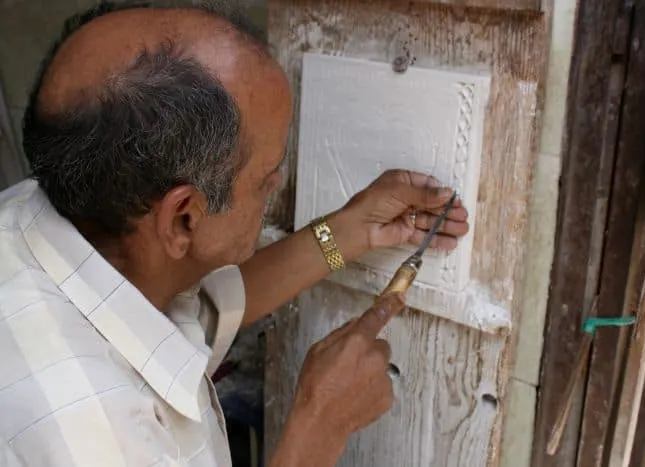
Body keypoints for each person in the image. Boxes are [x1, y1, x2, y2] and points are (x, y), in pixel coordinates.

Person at [0, 3, 469, 467]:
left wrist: (349, 232)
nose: (279, 183)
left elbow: (205, 308)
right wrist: (318, 429)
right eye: (267, 176)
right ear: (184, 218)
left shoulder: (36, 221)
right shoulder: (93, 437)